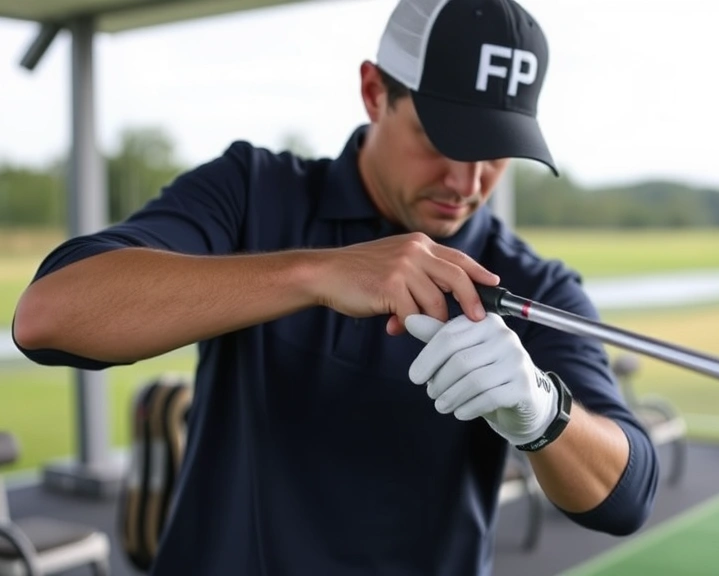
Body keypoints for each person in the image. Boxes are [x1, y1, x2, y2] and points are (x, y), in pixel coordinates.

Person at [11, 0, 660, 573]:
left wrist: (545, 415)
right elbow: (48, 317)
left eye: (495, 151)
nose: (468, 182)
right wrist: (320, 271)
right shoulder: (252, 191)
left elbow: (627, 495)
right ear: (374, 91)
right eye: (443, 139)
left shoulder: (528, 281)